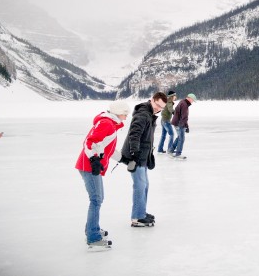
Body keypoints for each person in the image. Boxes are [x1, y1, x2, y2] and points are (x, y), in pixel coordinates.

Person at [75, 100, 130, 251]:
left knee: (98, 198)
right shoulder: (106, 123)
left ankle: (92, 229)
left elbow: (107, 149)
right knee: (96, 200)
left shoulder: (110, 125)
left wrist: (125, 160)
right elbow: (89, 142)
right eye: (125, 114)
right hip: (89, 166)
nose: (126, 117)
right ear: (118, 112)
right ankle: (93, 237)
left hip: (93, 166)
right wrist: (93, 159)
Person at [120, 92, 167, 227]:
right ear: (152, 100)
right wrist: (135, 153)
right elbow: (134, 135)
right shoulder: (143, 114)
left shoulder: (149, 114)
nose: (158, 108)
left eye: (161, 108)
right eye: (157, 105)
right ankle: (137, 217)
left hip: (143, 156)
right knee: (140, 186)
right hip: (137, 156)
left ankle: (141, 212)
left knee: (144, 185)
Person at [169, 93, 196, 160]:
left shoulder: (182, 102)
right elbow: (184, 117)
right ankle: (178, 154)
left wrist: (186, 126)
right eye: (193, 100)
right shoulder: (184, 105)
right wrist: (183, 126)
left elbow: (180, 114)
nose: (192, 102)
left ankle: (171, 150)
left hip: (177, 123)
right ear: (189, 98)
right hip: (179, 124)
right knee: (181, 139)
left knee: (179, 137)